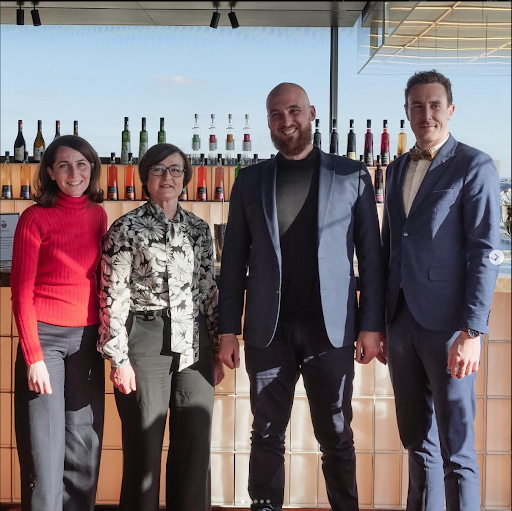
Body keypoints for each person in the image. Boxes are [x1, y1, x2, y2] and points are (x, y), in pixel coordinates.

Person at [217, 83, 386, 511]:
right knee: (267, 431)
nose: (286, 121)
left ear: (311, 113)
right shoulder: (250, 180)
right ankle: (265, 506)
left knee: (335, 433)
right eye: (276, 114)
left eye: (293, 111)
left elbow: (371, 254)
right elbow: (233, 259)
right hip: (265, 330)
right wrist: (226, 331)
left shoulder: (351, 175)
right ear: (268, 122)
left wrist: (370, 324)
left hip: (329, 329)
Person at [381, 70, 501, 510]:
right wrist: (376, 322)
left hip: (449, 329)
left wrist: (472, 331)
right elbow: (388, 247)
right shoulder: (395, 170)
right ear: (407, 112)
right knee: (417, 443)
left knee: (457, 449)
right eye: (417, 105)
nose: (426, 113)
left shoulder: (475, 164)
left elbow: (486, 250)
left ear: (450, 110)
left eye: (435, 105)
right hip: (402, 325)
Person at [98, 143, 224, 511]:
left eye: (175, 170)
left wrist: (215, 347)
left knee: (194, 447)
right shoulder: (125, 229)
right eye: (158, 170)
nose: (167, 177)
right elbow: (111, 296)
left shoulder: (199, 230)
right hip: (145, 338)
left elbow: (207, 290)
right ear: (145, 178)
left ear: (185, 179)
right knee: (144, 446)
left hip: (194, 338)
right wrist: (118, 358)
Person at [11, 135, 106, 511]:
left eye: (82, 164)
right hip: (45, 342)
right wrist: (33, 356)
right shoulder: (34, 218)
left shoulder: (98, 215)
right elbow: (21, 292)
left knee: (84, 448)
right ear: (49, 172)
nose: (74, 172)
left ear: (92, 170)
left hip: (86, 343)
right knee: (44, 452)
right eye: (64, 165)